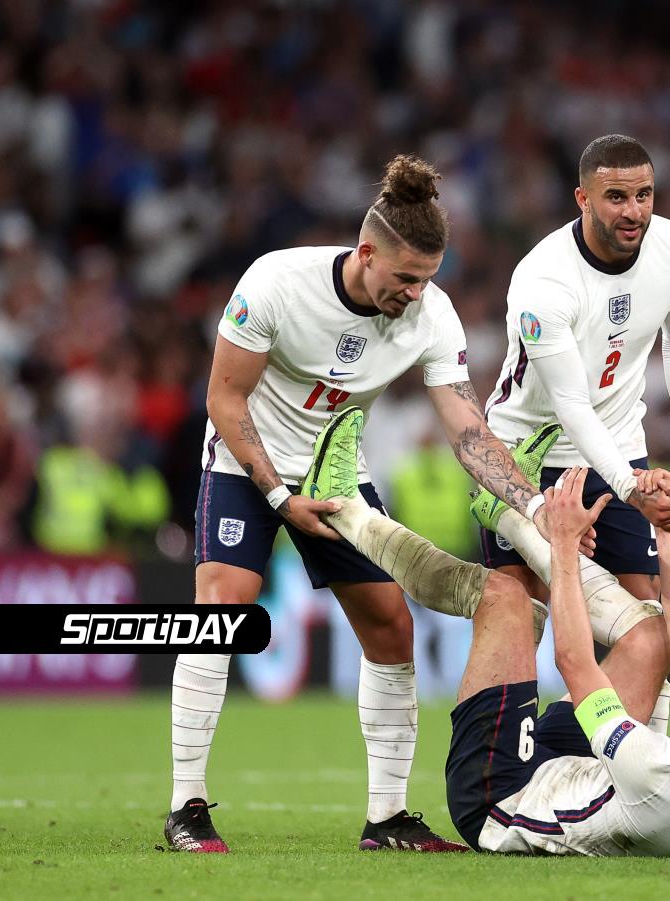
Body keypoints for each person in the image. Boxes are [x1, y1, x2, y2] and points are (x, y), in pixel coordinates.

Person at [165, 155, 559, 854]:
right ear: (366, 252)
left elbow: (467, 431)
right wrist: (279, 495)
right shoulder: (276, 283)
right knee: (220, 613)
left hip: (338, 480)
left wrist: (534, 506)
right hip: (246, 463)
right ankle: (186, 807)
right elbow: (224, 399)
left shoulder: (432, 315)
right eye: (405, 277)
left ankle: (387, 818)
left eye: (427, 278)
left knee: (390, 626)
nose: (415, 292)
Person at [307, 407, 670, 856]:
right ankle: (506, 513)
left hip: (502, 798)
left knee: (506, 599)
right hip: (580, 773)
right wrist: (667, 529)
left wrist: (563, 542)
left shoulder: (654, 772)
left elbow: (574, 662)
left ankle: (345, 509)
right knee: (653, 635)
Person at [481, 134, 670, 715]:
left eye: (644, 195)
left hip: (618, 444)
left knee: (645, 614)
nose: (634, 212)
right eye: (616, 197)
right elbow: (570, 404)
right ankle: (511, 755)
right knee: (519, 610)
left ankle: (634, 759)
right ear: (582, 198)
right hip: (527, 456)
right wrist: (632, 487)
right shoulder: (543, 281)